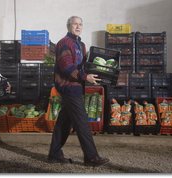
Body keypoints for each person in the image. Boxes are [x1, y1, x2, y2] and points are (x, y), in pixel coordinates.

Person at [48, 16, 109, 167]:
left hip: (77, 86)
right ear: (68, 26)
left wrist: (98, 70)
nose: (78, 26)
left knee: (64, 121)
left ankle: (54, 154)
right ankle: (91, 157)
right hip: (68, 86)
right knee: (82, 122)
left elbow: (83, 66)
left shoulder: (81, 44)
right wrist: (84, 76)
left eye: (80, 24)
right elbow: (66, 67)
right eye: (75, 24)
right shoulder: (64, 43)